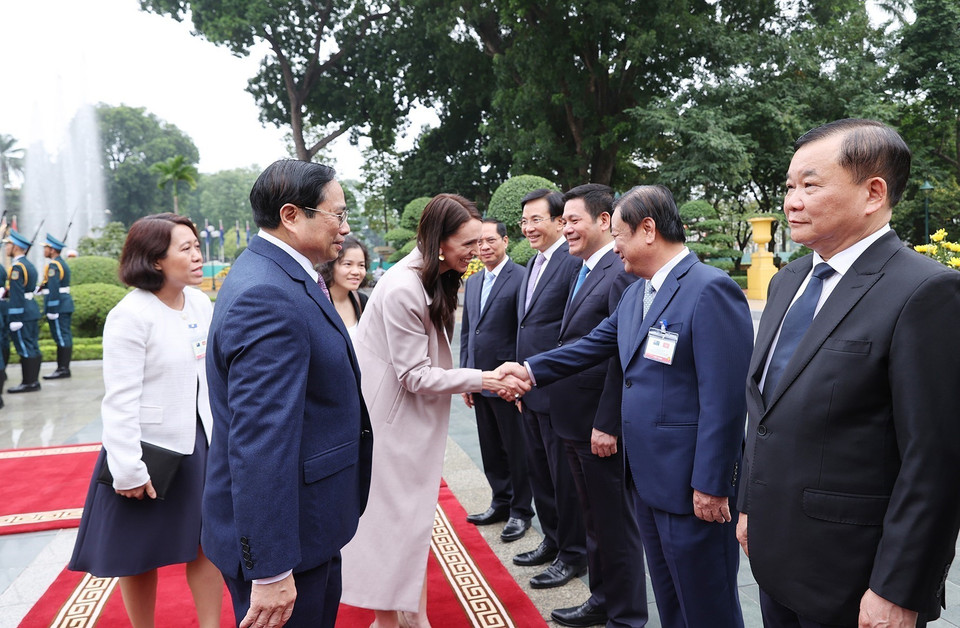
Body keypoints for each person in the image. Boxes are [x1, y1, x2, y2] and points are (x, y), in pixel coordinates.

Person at [737, 119, 960, 628]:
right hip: (774, 557)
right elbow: (765, 408)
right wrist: (750, 504)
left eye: (810, 185)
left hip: (853, 578)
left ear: (872, 193)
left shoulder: (924, 292)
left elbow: (935, 460)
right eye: (790, 186)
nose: (792, 200)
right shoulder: (789, 279)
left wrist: (899, 588)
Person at [503, 184, 753, 628]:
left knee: (707, 605)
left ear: (649, 230)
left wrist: (712, 483)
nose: (614, 245)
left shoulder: (710, 289)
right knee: (671, 598)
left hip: (693, 487)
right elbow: (593, 345)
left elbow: (725, 399)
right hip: (645, 478)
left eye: (618, 234)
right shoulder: (637, 293)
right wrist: (529, 370)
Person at [340, 193, 530, 628]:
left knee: (411, 526)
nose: (476, 251)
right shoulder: (405, 286)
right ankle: (390, 621)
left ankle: (415, 614)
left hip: (405, 423)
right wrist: (485, 379)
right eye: (468, 243)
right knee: (391, 528)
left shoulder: (432, 276)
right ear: (439, 241)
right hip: (389, 427)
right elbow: (415, 377)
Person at [202, 160, 372, 628]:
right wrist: (272, 567)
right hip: (288, 540)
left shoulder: (278, 272)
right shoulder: (268, 295)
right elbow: (261, 440)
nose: (346, 227)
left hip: (308, 523)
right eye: (337, 214)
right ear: (292, 214)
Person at [69, 213, 223, 628]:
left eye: (197, 246)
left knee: (208, 543)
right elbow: (119, 401)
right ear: (156, 260)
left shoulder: (200, 302)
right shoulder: (130, 315)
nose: (197, 256)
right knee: (138, 553)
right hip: (149, 450)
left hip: (201, 444)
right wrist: (128, 468)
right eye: (185, 248)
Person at [546, 183, 645, 628]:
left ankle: (626, 616)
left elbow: (621, 353)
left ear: (604, 221)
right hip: (573, 418)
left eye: (572, 220)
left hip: (598, 426)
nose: (564, 228)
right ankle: (602, 599)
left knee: (615, 525)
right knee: (594, 520)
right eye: (562, 220)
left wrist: (607, 421)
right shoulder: (583, 268)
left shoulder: (619, 271)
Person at [511, 188, 587, 589]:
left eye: (536, 219)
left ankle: (573, 554)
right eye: (524, 221)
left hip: (558, 390)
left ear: (560, 221)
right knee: (540, 474)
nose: (528, 228)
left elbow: (571, 332)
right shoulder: (532, 264)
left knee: (564, 479)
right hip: (530, 391)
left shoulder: (572, 263)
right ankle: (553, 540)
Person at [460, 218, 534, 542]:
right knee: (490, 448)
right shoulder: (473, 281)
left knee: (516, 449)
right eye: (479, 242)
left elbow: (523, 331)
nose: (484, 247)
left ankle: (521, 511)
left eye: (491, 240)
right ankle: (500, 502)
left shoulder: (521, 277)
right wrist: (467, 375)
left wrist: (518, 383)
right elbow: (468, 331)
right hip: (480, 379)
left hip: (506, 381)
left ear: (505, 241)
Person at [4, 229, 42, 393]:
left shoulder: (17, 268)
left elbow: (18, 294)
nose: (6, 248)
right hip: (31, 309)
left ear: (16, 247)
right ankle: (33, 381)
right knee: (32, 345)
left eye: (8, 245)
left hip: (22, 313)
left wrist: (15, 317)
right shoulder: (29, 265)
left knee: (25, 347)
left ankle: (29, 382)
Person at [318, 235, 369, 336]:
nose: (356, 271)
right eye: (348, 264)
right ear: (331, 266)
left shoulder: (362, 301)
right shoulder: (318, 301)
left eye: (361, 265)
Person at [40, 233, 74, 379]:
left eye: (46, 248)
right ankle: (63, 368)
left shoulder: (54, 265)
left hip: (59, 305)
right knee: (63, 336)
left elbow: (54, 287)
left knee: (61, 336)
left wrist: (52, 308)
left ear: (52, 250)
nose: (44, 251)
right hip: (63, 303)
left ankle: (63, 369)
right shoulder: (60, 263)